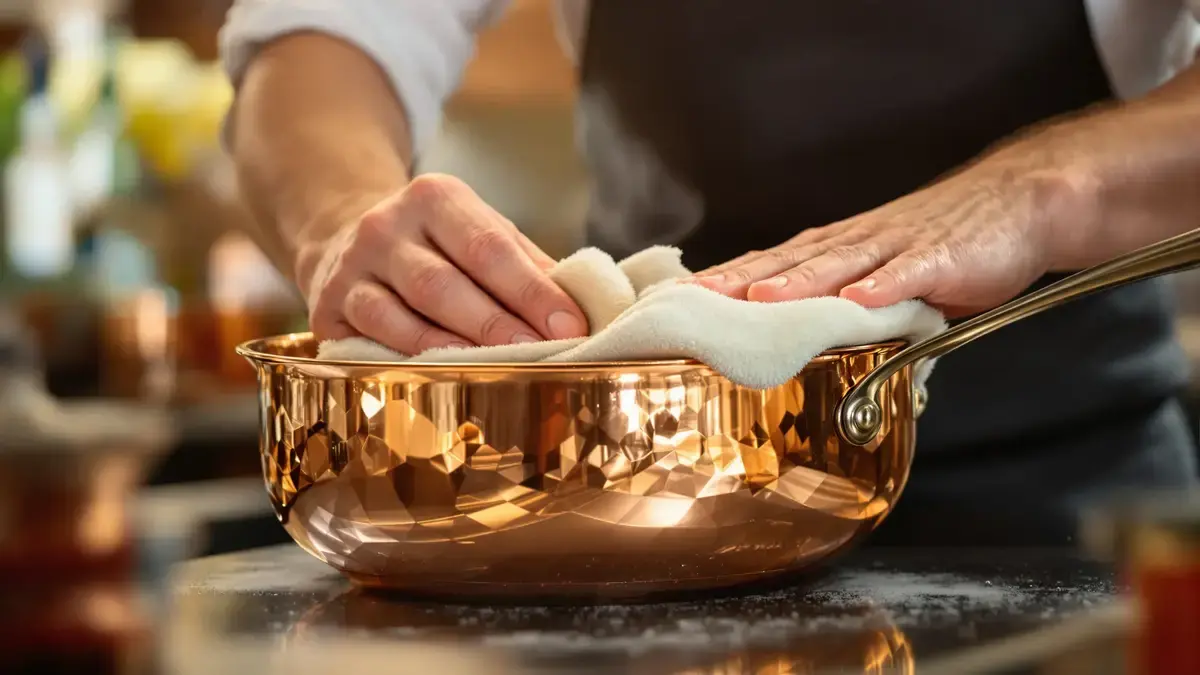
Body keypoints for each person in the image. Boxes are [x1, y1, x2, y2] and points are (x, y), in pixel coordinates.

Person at [219, 0, 1200, 545]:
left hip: (1079, 508)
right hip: (627, 519)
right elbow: (327, 36)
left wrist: (1041, 189)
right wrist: (338, 221)